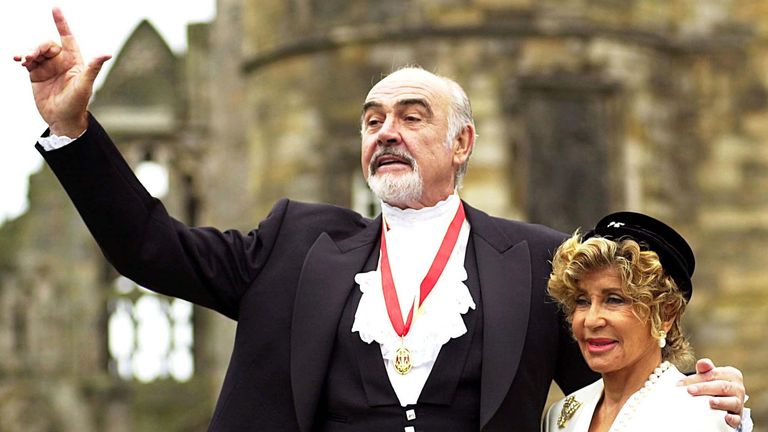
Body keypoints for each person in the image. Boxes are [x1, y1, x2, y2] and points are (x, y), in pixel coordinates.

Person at [14, 8, 749, 431]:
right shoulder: (295, 243)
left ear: (462, 143)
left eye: (410, 115)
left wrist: (700, 395)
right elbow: (150, 247)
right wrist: (73, 130)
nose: (385, 130)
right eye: (371, 119)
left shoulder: (535, 262)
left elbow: (614, 374)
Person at [544, 212, 747, 431]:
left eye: (614, 299)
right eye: (582, 301)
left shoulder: (699, 414)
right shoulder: (561, 416)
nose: (591, 320)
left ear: (665, 314)